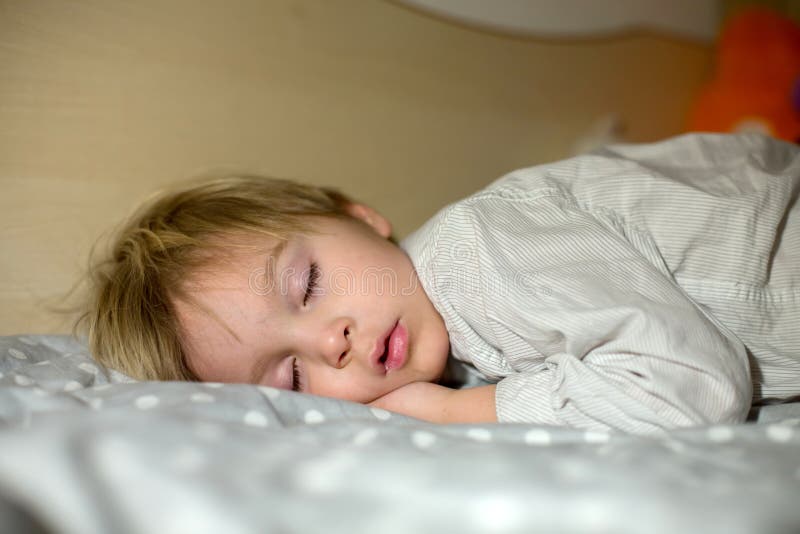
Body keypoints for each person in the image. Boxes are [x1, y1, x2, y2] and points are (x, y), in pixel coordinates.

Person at [80, 133, 800, 434]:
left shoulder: (478, 258)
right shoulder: (454, 329)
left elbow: (693, 387)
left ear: (359, 217)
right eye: (291, 378)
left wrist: (461, 413)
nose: (330, 342)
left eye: (306, 286)